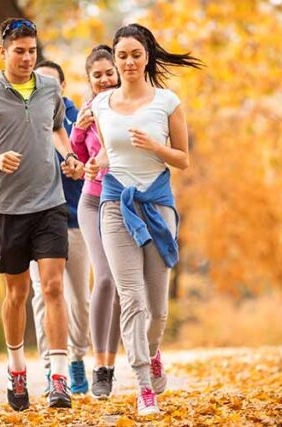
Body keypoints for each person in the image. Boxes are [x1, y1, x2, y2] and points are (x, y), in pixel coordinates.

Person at [0, 17, 84, 411]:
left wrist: (71, 157)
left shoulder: (48, 89)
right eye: (20, 51)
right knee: (17, 293)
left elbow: (58, 130)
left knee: (55, 287)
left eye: (32, 51)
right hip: (8, 209)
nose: (27, 58)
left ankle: (58, 379)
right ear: (3, 52)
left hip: (50, 204)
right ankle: (16, 368)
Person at [85, 23, 203, 416]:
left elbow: (184, 159)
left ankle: (152, 354)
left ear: (147, 55)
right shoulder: (101, 105)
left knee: (157, 308)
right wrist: (92, 163)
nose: (129, 62)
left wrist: (156, 146)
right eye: (122, 56)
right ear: (114, 60)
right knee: (131, 298)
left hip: (157, 206)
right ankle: (142, 385)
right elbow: (109, 154)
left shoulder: (167, 102)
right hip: (116, 204)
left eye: (136, 54)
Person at [29, 60, 91, 395]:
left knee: (80, 299)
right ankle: (54, 368)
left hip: (76, 221)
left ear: (63, 88)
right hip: (37, 220)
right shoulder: (27, 116)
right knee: (44, 296)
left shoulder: (80, 118)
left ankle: (78, 357)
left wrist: (78, 166)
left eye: (53, 83)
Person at [70, 45, 122, 399]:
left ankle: (119, 361)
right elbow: (81, 155)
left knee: (123, 284)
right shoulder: (86, 109)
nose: (104, 79)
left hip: (124, 200)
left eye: (109, 73)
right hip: (92, 200)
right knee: (104, 277)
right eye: (97, 75)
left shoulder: (130, 105)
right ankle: (100, 368)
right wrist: (79, 127)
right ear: (89, 79)